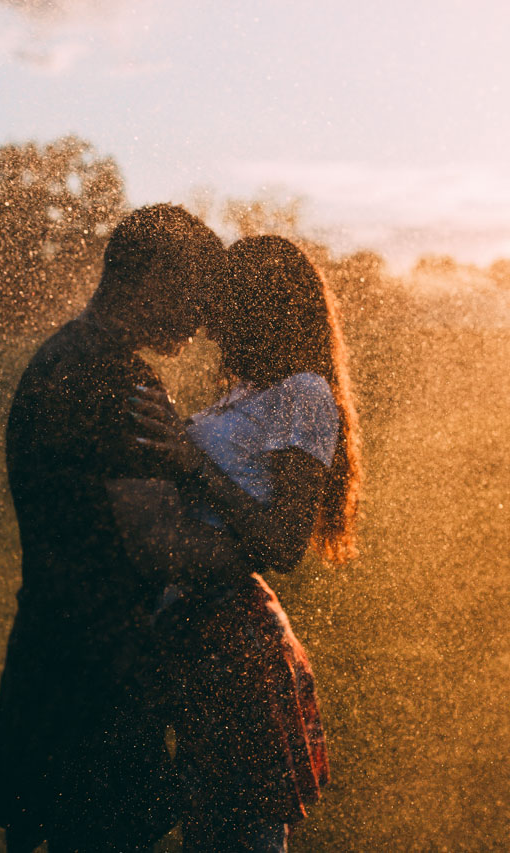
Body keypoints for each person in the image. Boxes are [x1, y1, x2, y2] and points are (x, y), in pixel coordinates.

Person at [0, 204, 241, 853]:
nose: (205, 317)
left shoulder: (62, 355)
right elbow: (159, 546)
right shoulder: (114, 377)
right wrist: (263, 544)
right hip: (98, 693)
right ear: (153, 274)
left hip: (49, 662)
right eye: (198, 292)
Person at [129, 235, 361, 852]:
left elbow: (284, 541)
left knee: (238, 833)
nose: (205, 323)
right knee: (205, 828)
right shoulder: (245, 392)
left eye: (220, 304)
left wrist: (188, 459)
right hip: (195, 629)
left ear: (258, 307)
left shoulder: (304, 395)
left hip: (233, 642)